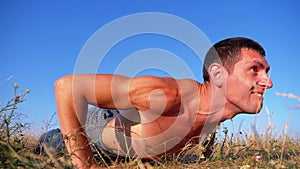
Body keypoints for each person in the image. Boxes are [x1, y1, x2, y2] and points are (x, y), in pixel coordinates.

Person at [54, 37, 273, 168]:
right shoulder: (166, 95)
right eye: (254, 69)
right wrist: (87, 165)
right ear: (218, 75)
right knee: (46, 146)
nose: (268, 83)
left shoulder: (215, 113)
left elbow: (208, 129)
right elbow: (67, 88)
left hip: (131, 152)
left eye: (266, 72)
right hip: (95, 132)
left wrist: (206, 159)